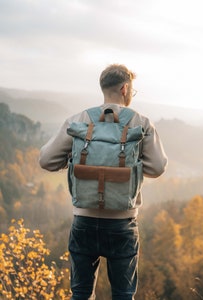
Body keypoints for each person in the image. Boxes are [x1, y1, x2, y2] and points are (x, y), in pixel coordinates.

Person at [39, 64, 168, 300]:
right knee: (123, 294)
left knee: (80, 294)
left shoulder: (78, 120)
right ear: (124, 88)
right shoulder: (142, 123)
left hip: (84, 220)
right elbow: (158, 167)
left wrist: (76, 161)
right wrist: (132, 166)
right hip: (123, 223)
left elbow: (46, 160)